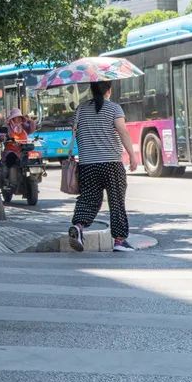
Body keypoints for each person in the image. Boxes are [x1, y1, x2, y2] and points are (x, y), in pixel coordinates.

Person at [67, 80, 138, 254]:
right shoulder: (114, 108)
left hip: (88, 164)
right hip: (111, 164)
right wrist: (132, 155)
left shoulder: (81, 109)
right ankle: (120, 241)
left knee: (88, 199)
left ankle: (78, 226)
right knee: (116, 202)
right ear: (109, 90)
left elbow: (74, 130)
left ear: (91, 90)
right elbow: (123, 131)